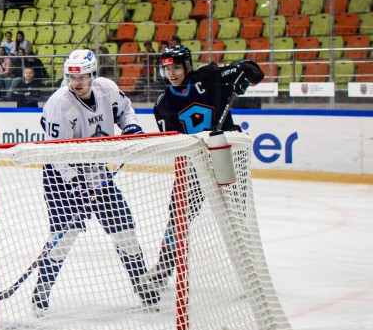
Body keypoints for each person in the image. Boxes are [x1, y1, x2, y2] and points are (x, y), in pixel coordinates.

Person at [33, 49, 152, 312]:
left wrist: (130, 125)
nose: (77, 82)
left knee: (125, 231)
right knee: (64, 237)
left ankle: (143, 286)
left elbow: (125, 111)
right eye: (72, 77)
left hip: (98, 173)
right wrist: (73, 183)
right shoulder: (59, 104)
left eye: (83, 77)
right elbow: (55, 153)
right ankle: (41, 290)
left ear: (93, 75)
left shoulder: (107, 89)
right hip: (61, 176)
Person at [143, 45, 264, 293]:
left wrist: (244, 77)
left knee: (237, 216)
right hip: (195, 165)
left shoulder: (209, 77)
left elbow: (253, 70)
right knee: (178, 217)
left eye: (176, 67)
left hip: (228, 155)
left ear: (187, 66)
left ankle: (250, 273)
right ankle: (162, 271)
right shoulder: (163, 103)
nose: (171, 73)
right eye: (166, 68)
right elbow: (173, 143)